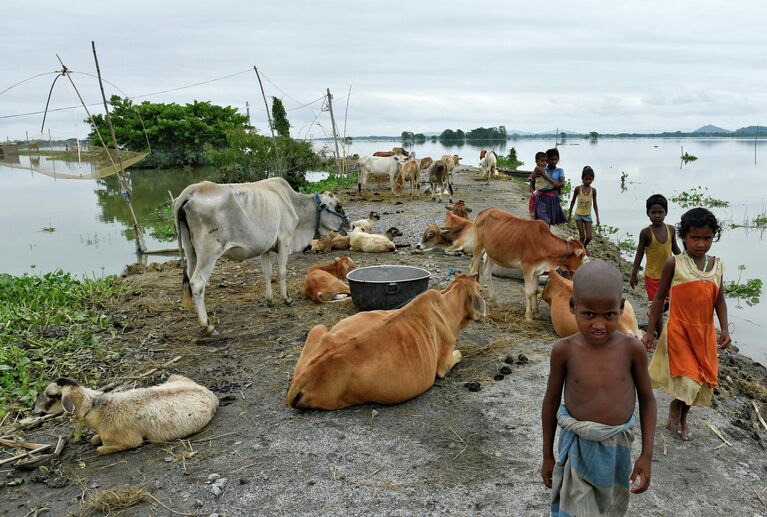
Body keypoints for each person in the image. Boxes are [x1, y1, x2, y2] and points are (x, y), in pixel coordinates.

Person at [542, 261, 656, 516]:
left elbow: (648, 400)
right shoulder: (564, 351)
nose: (599, 325)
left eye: (609, 315)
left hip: (618, 448)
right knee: (575, 509)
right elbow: (550, 402)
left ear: (621, 307)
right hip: (577, 447)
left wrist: (646, 455)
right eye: (589, 314)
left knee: (608, 507)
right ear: (572, 306)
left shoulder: (632, 350)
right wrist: (547, 455)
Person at [642, 207, 730, 442]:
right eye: (695, 238)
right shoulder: (675, 263)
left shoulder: (718, 266)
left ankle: (681, 413)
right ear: (684, 237)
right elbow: (659, 298)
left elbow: (719, 300)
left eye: (707, 238)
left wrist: (726, 329)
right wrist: (650, 331)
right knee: (689, 380)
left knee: (701, 379)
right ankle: (676, 411)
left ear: (714, 237)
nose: (701, 244)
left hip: (704, 333)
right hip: (679, 329)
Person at [630, 194, 681, 339]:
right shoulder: (646, 233)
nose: (657, 215)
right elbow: (639, 254)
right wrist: (634, 273)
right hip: (653, 277)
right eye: (653, 212)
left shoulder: (670, 229)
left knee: (673, 304)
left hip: (671, 275)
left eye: (660, 212)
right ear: (648, 213)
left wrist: (687, 260)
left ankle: (669, 328)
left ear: (666, 212)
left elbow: (675, 249)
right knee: (656, 307)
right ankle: (660, 334)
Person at [567, 166, 600, 247]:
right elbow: (573, 201)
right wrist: (570, 215)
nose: (588, 181)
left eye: (590, 179)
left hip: (587, 216)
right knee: (582, 236)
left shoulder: (593, 191)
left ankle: (583, 247)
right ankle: (581, 252)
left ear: (592, 179)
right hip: (578, 215)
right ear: (582, 178)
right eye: (586, 179)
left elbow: (595, 204)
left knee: (589, 237)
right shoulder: (578, 189)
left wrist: (597, 218)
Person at [534, 148, 567, 225]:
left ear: (558, 159)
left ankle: (546, 236)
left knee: (550, 220)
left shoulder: (560, 170)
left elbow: (562, 183)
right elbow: (535, 179)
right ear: (547, 159)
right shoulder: (542, 168)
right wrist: (554, 184)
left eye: (556, 159)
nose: (554, 161)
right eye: (551, 159)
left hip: (553, 198)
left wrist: (551, 186)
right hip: (542, 197)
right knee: (543, 219)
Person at [528, 151, 549, 218]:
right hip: (536, 195)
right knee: (534, 214)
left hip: (545, 196)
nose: (544, 163)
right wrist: (535, 193)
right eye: (542, 161)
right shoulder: (536, 172)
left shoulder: (547, 172)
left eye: (546, 161)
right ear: (537, 162)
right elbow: (531, 187)